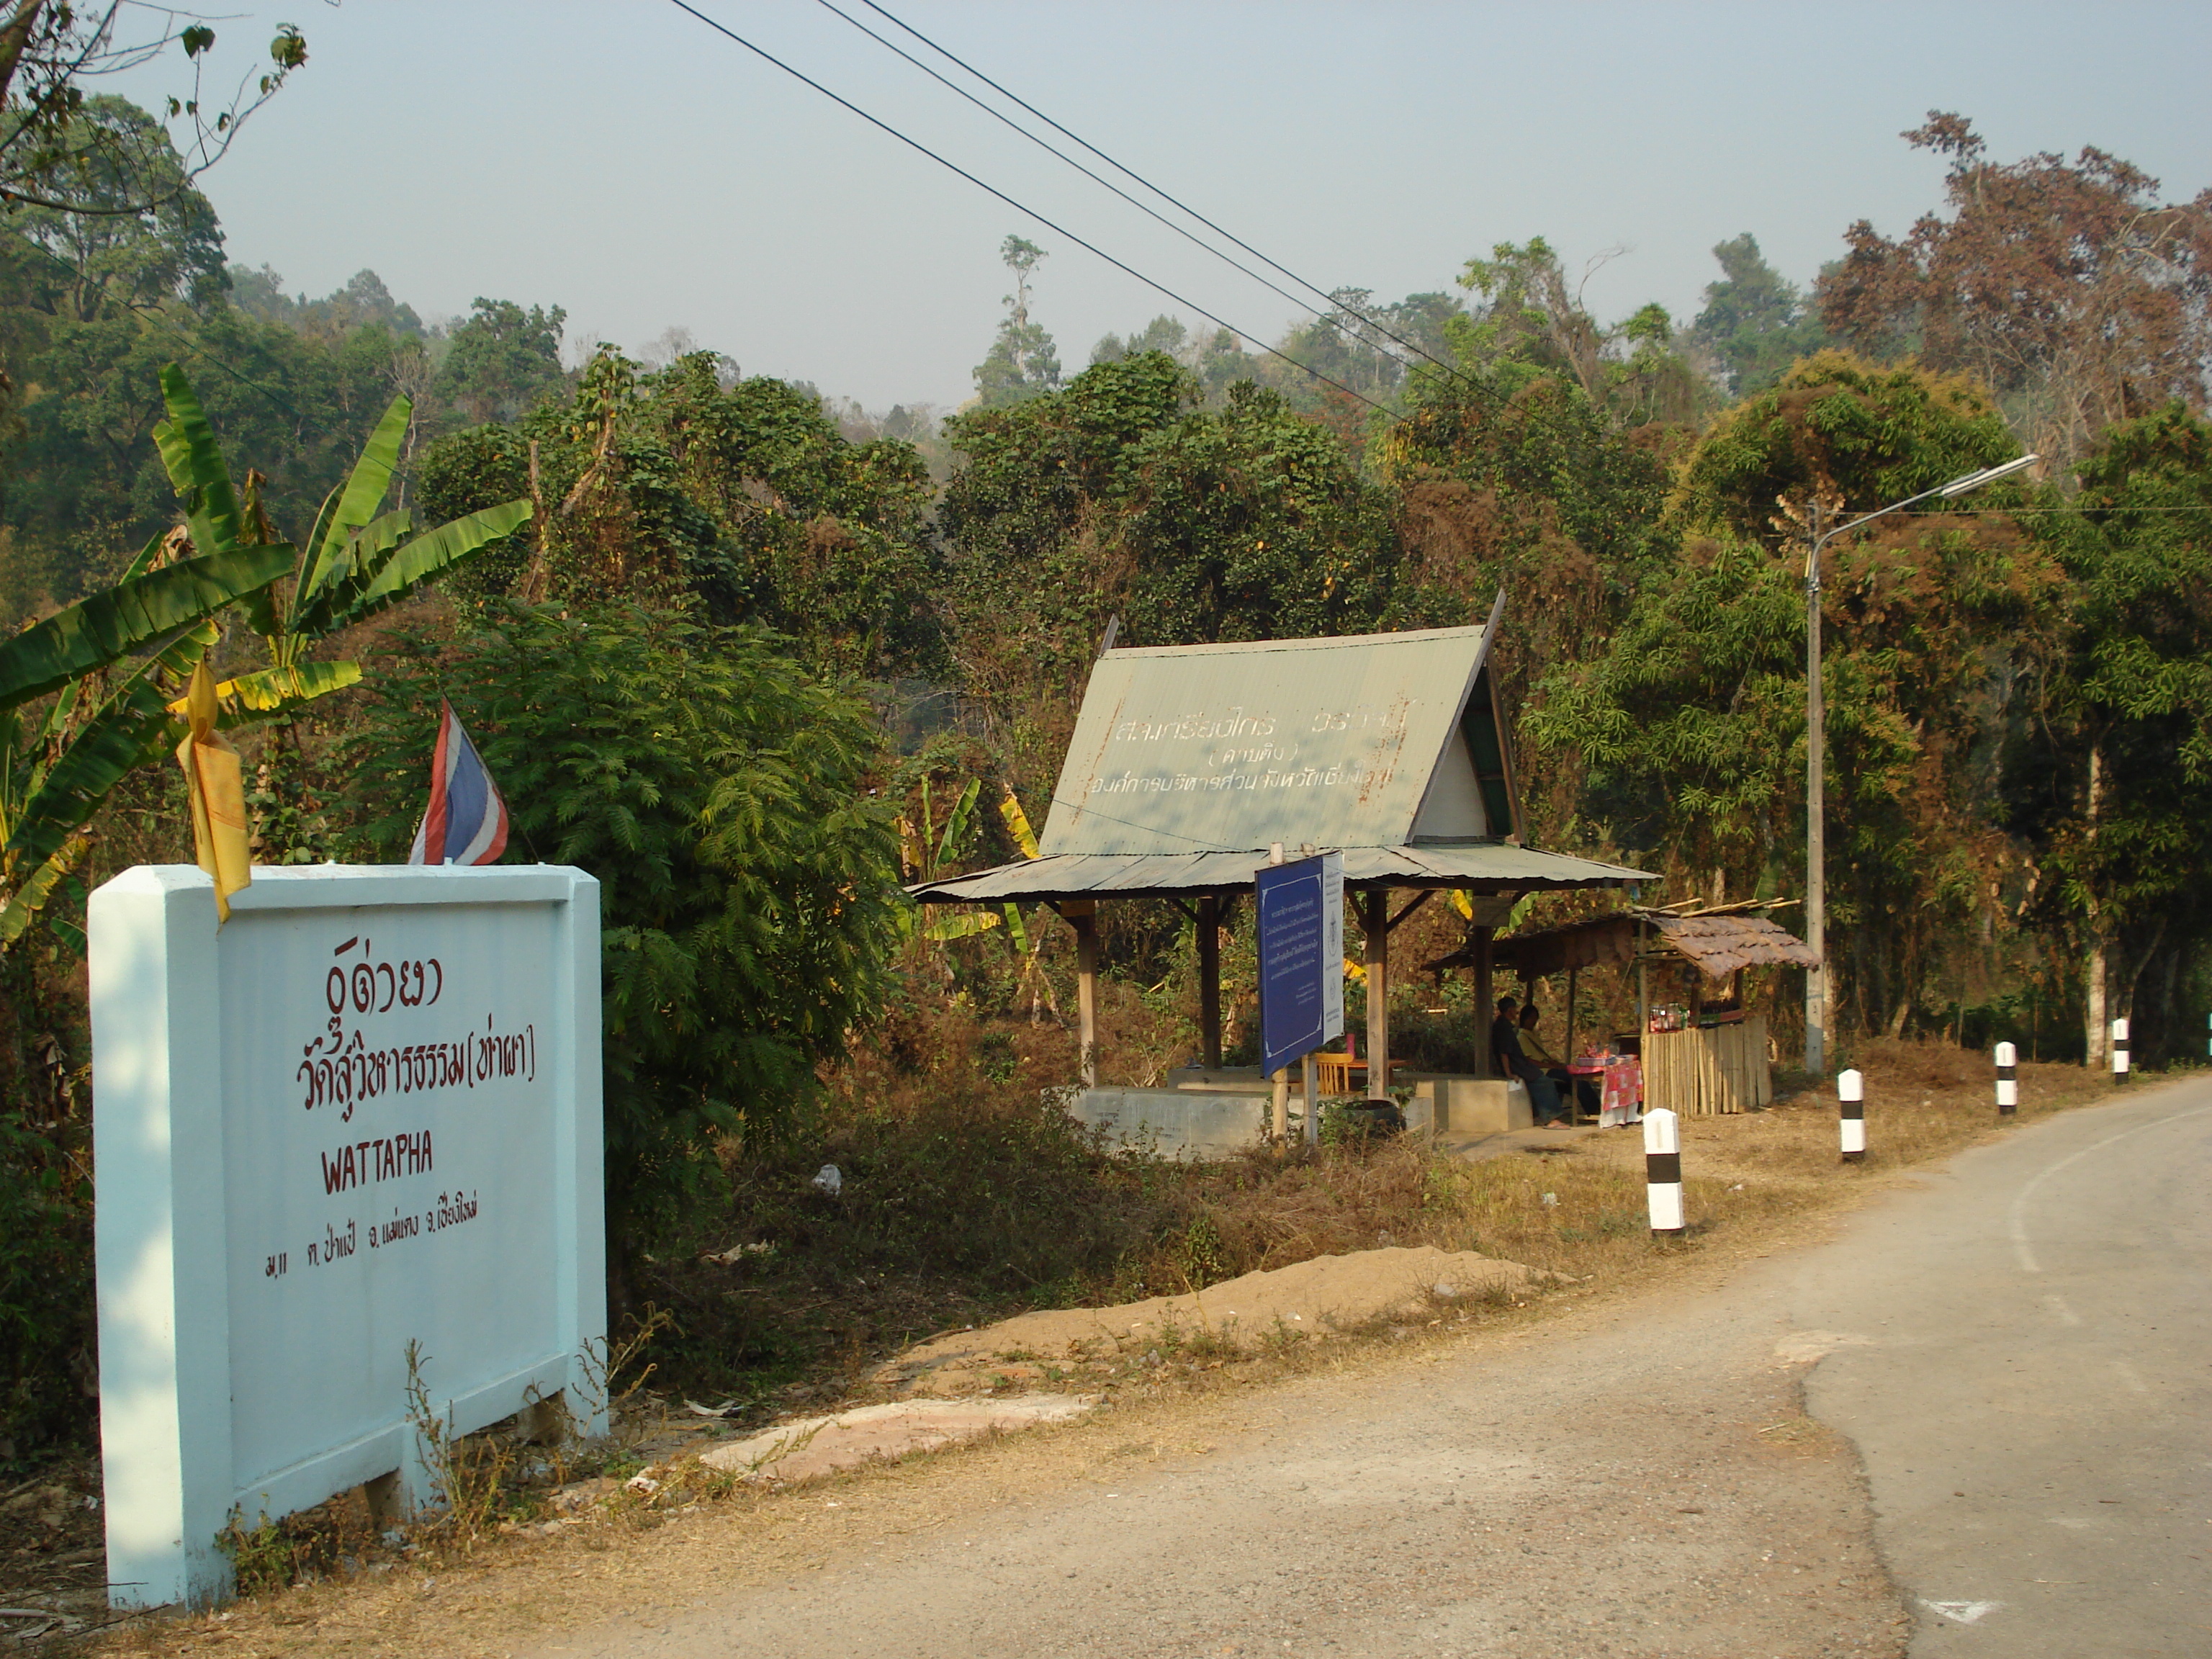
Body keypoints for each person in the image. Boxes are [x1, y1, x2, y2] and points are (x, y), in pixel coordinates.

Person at [1491, 994, 1569, 1128]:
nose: (1516, 1012)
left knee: (1543, 1079)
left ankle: (1541, 1115)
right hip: (1517, 1065)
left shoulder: (1505, 1026)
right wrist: (1509, 1073)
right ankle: (1550, 1119)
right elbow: (1504, 1053)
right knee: (1544, 1082)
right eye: (1515, 1009)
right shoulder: (1504, 1028)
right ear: (1510, 1010)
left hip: (1519, 1063)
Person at [1520, 1002, 1599, 1121]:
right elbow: (1529, 1061)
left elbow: (1541, 1055)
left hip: (1549, 1067)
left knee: (1580, 1083)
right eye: (1532, 1018)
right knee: (1575, 1080)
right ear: (1526, 1018)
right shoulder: (1522, 1037)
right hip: (1544, 1071)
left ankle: (1595, 1110)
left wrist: (1555, 1064)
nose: (1534, 1021)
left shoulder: (1533, 1034)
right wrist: (1550, 1066)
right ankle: (1594, 1111)